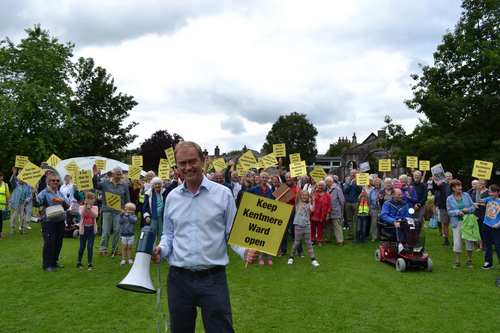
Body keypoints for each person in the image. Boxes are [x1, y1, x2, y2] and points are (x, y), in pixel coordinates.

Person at [151, 141, 259, 333]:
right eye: (182, 163)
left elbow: (231, 234)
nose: (188, 167)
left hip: (213, 279)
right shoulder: (172, 197)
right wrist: (161, 249)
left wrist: (245, 251)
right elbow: (168, 235)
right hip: (178, 280)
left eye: (192, 161)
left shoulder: (223, 194)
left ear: (202, 161)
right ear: (177, 165)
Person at [32, 173, 70, 272]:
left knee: (58, 243)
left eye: (57, 180)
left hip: (60, 221)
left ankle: (54, 261)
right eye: (53, 180)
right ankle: (47, 265)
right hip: (49, 221)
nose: (55, 182)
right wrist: (34, 193)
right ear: (49, 182)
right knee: (49, 243)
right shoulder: (44, 193)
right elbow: (37, 204)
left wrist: (63, 201)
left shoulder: (59, 193)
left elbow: (67, 207)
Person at [92, 166, 130, 257]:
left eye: (120, 174)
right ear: (112, 174)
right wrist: (95, 176)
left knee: (117, 230)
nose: (119, 176)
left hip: (119, 211)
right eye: (117, 174)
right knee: (106, 230)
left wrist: (127, 210)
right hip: (107, 210)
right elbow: (95, 186)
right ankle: (103, 250)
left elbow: (127, 199)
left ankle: (114, 249)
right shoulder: (105, 182)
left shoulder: (124, 184)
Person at [287, 181, 320, 266]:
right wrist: (298, 181)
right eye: (303, 195)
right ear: (301, 196)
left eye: (306, 195)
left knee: (308, 243)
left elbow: (312, 209)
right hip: (298, 226)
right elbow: (297, 192)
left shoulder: (308, 203)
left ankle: (313, 259)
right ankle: (291, 257)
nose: (304, 197)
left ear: (307, 197)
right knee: (296, 243)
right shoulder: (298, 202)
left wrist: (314, 201)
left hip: (307, 226)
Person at [246, 172, 275, 265]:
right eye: (263, 178)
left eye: (266, 178)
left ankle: (269, 257)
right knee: (258, 237)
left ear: (268, 180)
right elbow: (245, 194)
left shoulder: (270, 191)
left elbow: (274, 203)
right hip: (257, 217)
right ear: (260, 178)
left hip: (267, 218)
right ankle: (260, 256)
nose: (265, 179)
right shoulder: (254, 189)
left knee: (266, 237)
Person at [446, 179, 476, 268]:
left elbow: (473, 206)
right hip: (457, 221)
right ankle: (457, 261)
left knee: (469, 240)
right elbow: (449, 211)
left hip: (467, 221)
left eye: (461, 186)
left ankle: (469, 260)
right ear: (453, 188)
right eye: (458, 186)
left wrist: (469, 210)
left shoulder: (466, 195)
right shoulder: (449, 199)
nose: (461, 187)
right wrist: (457, 212)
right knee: (457, 241)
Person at [142, 176, 178, 241]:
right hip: (153, 216)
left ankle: (162, 249)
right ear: (153, 185)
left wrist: (175, 178)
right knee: (152, 235)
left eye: (159, 184)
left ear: (161, 184)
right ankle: (152, 249)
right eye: (155, 184)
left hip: (163, 216)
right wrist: (146, 216)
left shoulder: (165, 190)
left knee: (163, 234)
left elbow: (173, 186)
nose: (157, 186)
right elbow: (144, 206)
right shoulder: (148, 193)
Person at [380, 189, 412, 254]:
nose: (401, 196)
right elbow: (383, 216)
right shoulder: (387, 204)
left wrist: (406, 220)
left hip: (402, 222)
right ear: (393, 195)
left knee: (415, 224)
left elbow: (409, 214)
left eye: (401, 194)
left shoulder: (405, 204)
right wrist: (393, 221)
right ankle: (400, 246)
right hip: (390, 225)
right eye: (399, 195)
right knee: (399, 225)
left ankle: (413, 246)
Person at [476, 184, 500, 269]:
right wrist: (478, 190)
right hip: (486, 225)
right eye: (490, 192)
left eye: (493, 192)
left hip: (495, 227)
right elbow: (478, 199)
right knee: (488, 244)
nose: (491, 194)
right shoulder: (488, 199)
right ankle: (488, 262)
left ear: (498, 192)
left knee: (498, 245)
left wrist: (497, 225)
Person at [77, 192, 98, 270]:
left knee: (90, 246)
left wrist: (90, 209)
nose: (93, 200)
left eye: (94, 199)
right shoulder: (81, 207)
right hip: (84, 228)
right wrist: (86, 207)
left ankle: (89, 263)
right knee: (82, 246)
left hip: (91, 229)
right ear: (86, 199)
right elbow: (82, 214)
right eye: (91, 199)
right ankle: (79, 262)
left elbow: (95, 215)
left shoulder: (95, 207)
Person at [433, 172, 454, 246]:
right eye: (447, 176)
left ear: (451, 177)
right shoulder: (442, 184)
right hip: (443, 206)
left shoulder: (455, 185)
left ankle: (455, 240)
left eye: (449, 176)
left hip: (453, 207)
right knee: (445, 223)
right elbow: (435, 188)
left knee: (454, 224)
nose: (448, 178)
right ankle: (446, 239)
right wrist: (434, 180)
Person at [9, 167, 32, 235]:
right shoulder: (16, 185)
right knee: (14, 216)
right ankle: (12, 229)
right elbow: (11, 181)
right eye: (20, 179)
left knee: (22, 217)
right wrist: (14, 174)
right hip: (16, 203)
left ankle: (22, 229)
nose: (21, 180)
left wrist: (27, 200)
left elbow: (30, 195)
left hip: (23, 204)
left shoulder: (28, 186)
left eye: (23, 179)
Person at [324, 176, 345, 246]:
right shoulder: (327, 189)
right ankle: (328, 238)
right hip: (327, 210)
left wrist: (341, 210)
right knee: (327, 225)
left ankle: (340, 240)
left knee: (337, 226)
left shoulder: (337, 189)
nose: (325, 184)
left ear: (330, 182)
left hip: (335, 210)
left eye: (326, 182)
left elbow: (342, 201)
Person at [343, 169, 362, 240]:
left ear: (357, 174)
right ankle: (350, 235)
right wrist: (351, 184)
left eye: (354, 173)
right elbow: (345, 190)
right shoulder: (348, 182)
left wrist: (356, 184)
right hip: (348, 202)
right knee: (349, 220)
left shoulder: (360, 182)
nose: (352, 174)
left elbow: (359, 191)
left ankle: (358, 235)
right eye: (351, 173)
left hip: (356, 202)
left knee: (357, 220)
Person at [310, 180, 330, 246]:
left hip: (321, 214)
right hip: (314, 213)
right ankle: (312, 239)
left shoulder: (327, 195)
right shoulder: (315, 193)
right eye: (319, 185)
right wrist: (314, 188)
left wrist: (327, 215)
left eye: (322, 185)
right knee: (312, 227)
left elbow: (329, 206)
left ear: (324, 186)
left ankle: (319, 241)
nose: (320, 187)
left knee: (320, 228)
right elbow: (310, 196)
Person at [473, 178, 489, 252]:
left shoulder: (489, 192)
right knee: (478, 230)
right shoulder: (477, 191)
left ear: (485, 183)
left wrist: (479, 204)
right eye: (479, 181)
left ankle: (487, 246)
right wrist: (474, 204)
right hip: (477, 213)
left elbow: (490, 204)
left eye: (482, 181)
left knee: (484, 230)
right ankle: (481, 246)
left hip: (485, 213)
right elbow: (473, 200)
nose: (481, 183)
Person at [0, 172, 10, 238]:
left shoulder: (5, 185)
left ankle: (0, 233)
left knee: (0, 220)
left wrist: (7, 205)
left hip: (2, 206)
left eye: (1, 177)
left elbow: (7, 196)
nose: (1, 179)